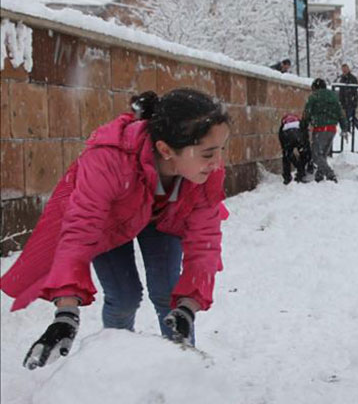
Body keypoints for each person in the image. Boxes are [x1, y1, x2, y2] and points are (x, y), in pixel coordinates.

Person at [0, 88, 230, 369]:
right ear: (166, 150)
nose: (218, 162)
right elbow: (80, 230)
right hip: (113, 222)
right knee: (123, 297)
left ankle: (182, 371)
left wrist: (188, 307)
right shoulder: (109, 159)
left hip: (164, 218)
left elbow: (205, 241)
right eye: (208, 153)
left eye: (221, 149)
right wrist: (66, 313)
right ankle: (114, 368)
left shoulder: (206, 172)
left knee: (170, 295)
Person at [303, 78, 349, 183]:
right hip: (332, 129)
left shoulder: (314, 96)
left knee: (316, 155)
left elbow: (307, 112)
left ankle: (330, 174)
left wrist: (304, 125)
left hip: (320, 128)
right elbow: (341, 113)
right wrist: (344, 128)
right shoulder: (333, 96)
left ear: (315, 87)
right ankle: (319, 176)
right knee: (323, 154)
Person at [278, 113, 312, 184]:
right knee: (304, 154)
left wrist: (288, 154)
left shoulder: (283, 126)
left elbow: (281, 140)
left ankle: (287, 177)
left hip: (287, 136)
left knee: (287, 156)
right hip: (299, 136)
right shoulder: (300, 123)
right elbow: (306, 136)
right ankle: (301, 174)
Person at [336, 63, 358, 136]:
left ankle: (348, 130)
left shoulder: (352, 78)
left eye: (345, 69)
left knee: (349, 117)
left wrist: (354, 100)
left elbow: (354, 91)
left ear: (348, 69)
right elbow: (341, 92)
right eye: (343, 69)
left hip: (350, 102)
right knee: (350, 117)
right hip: (345, 102)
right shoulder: (342, 79)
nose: (344, 71)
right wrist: (341, 100)